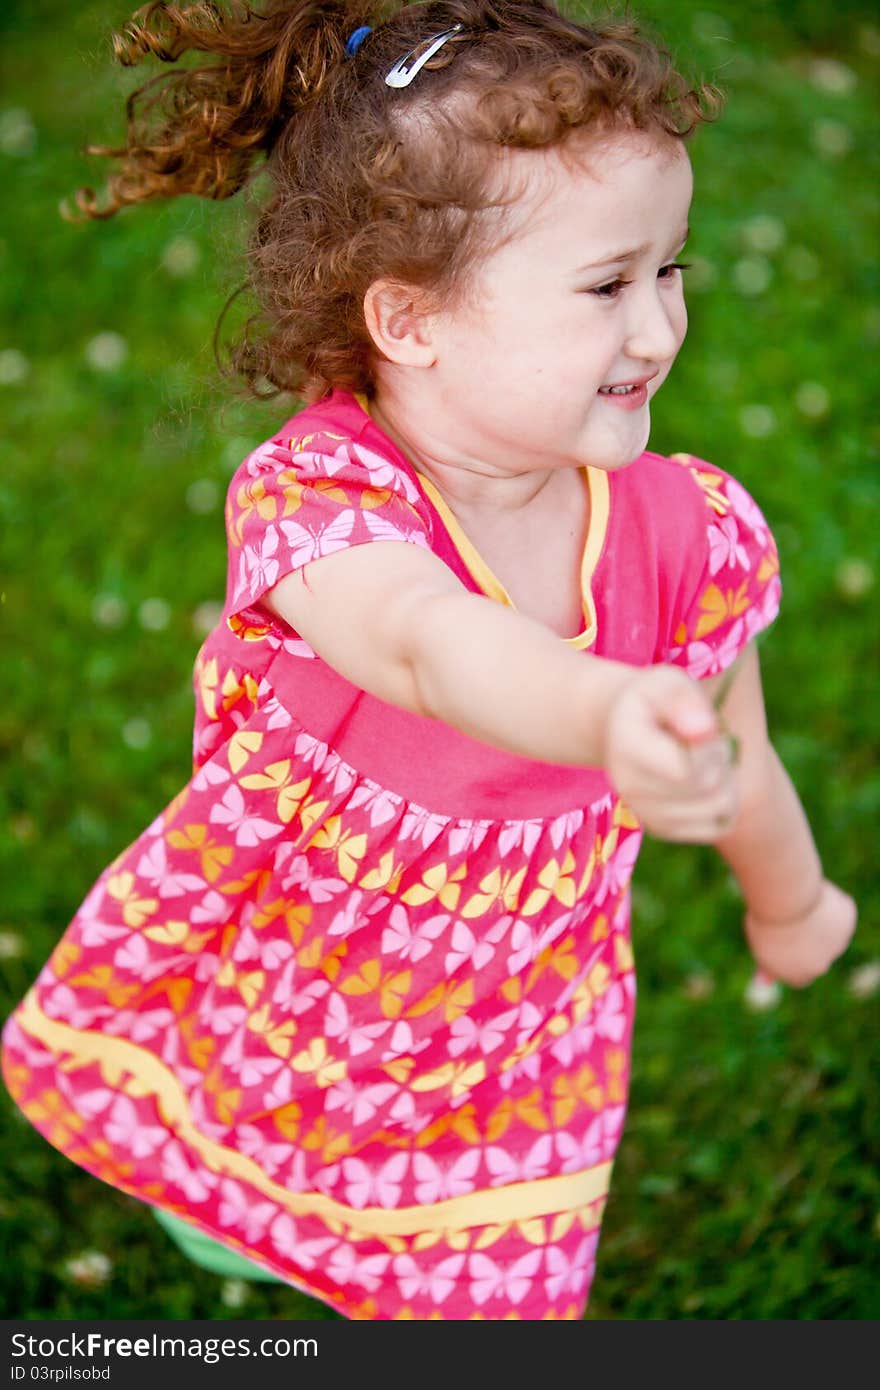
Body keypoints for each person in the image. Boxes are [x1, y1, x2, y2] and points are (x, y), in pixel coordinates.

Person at [1, 0, 857, 1321]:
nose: (657, 329)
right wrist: (598, 703)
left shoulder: (690, 534)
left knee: (483, 1293)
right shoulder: (322, 503)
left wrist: (790, 901)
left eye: (670, 270)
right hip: (304, 978)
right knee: (250, 1192)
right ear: (410, 319)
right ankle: (248, 1213)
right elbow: (425, 641)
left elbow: (732, 754)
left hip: (521, 1027)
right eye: (606, 284)